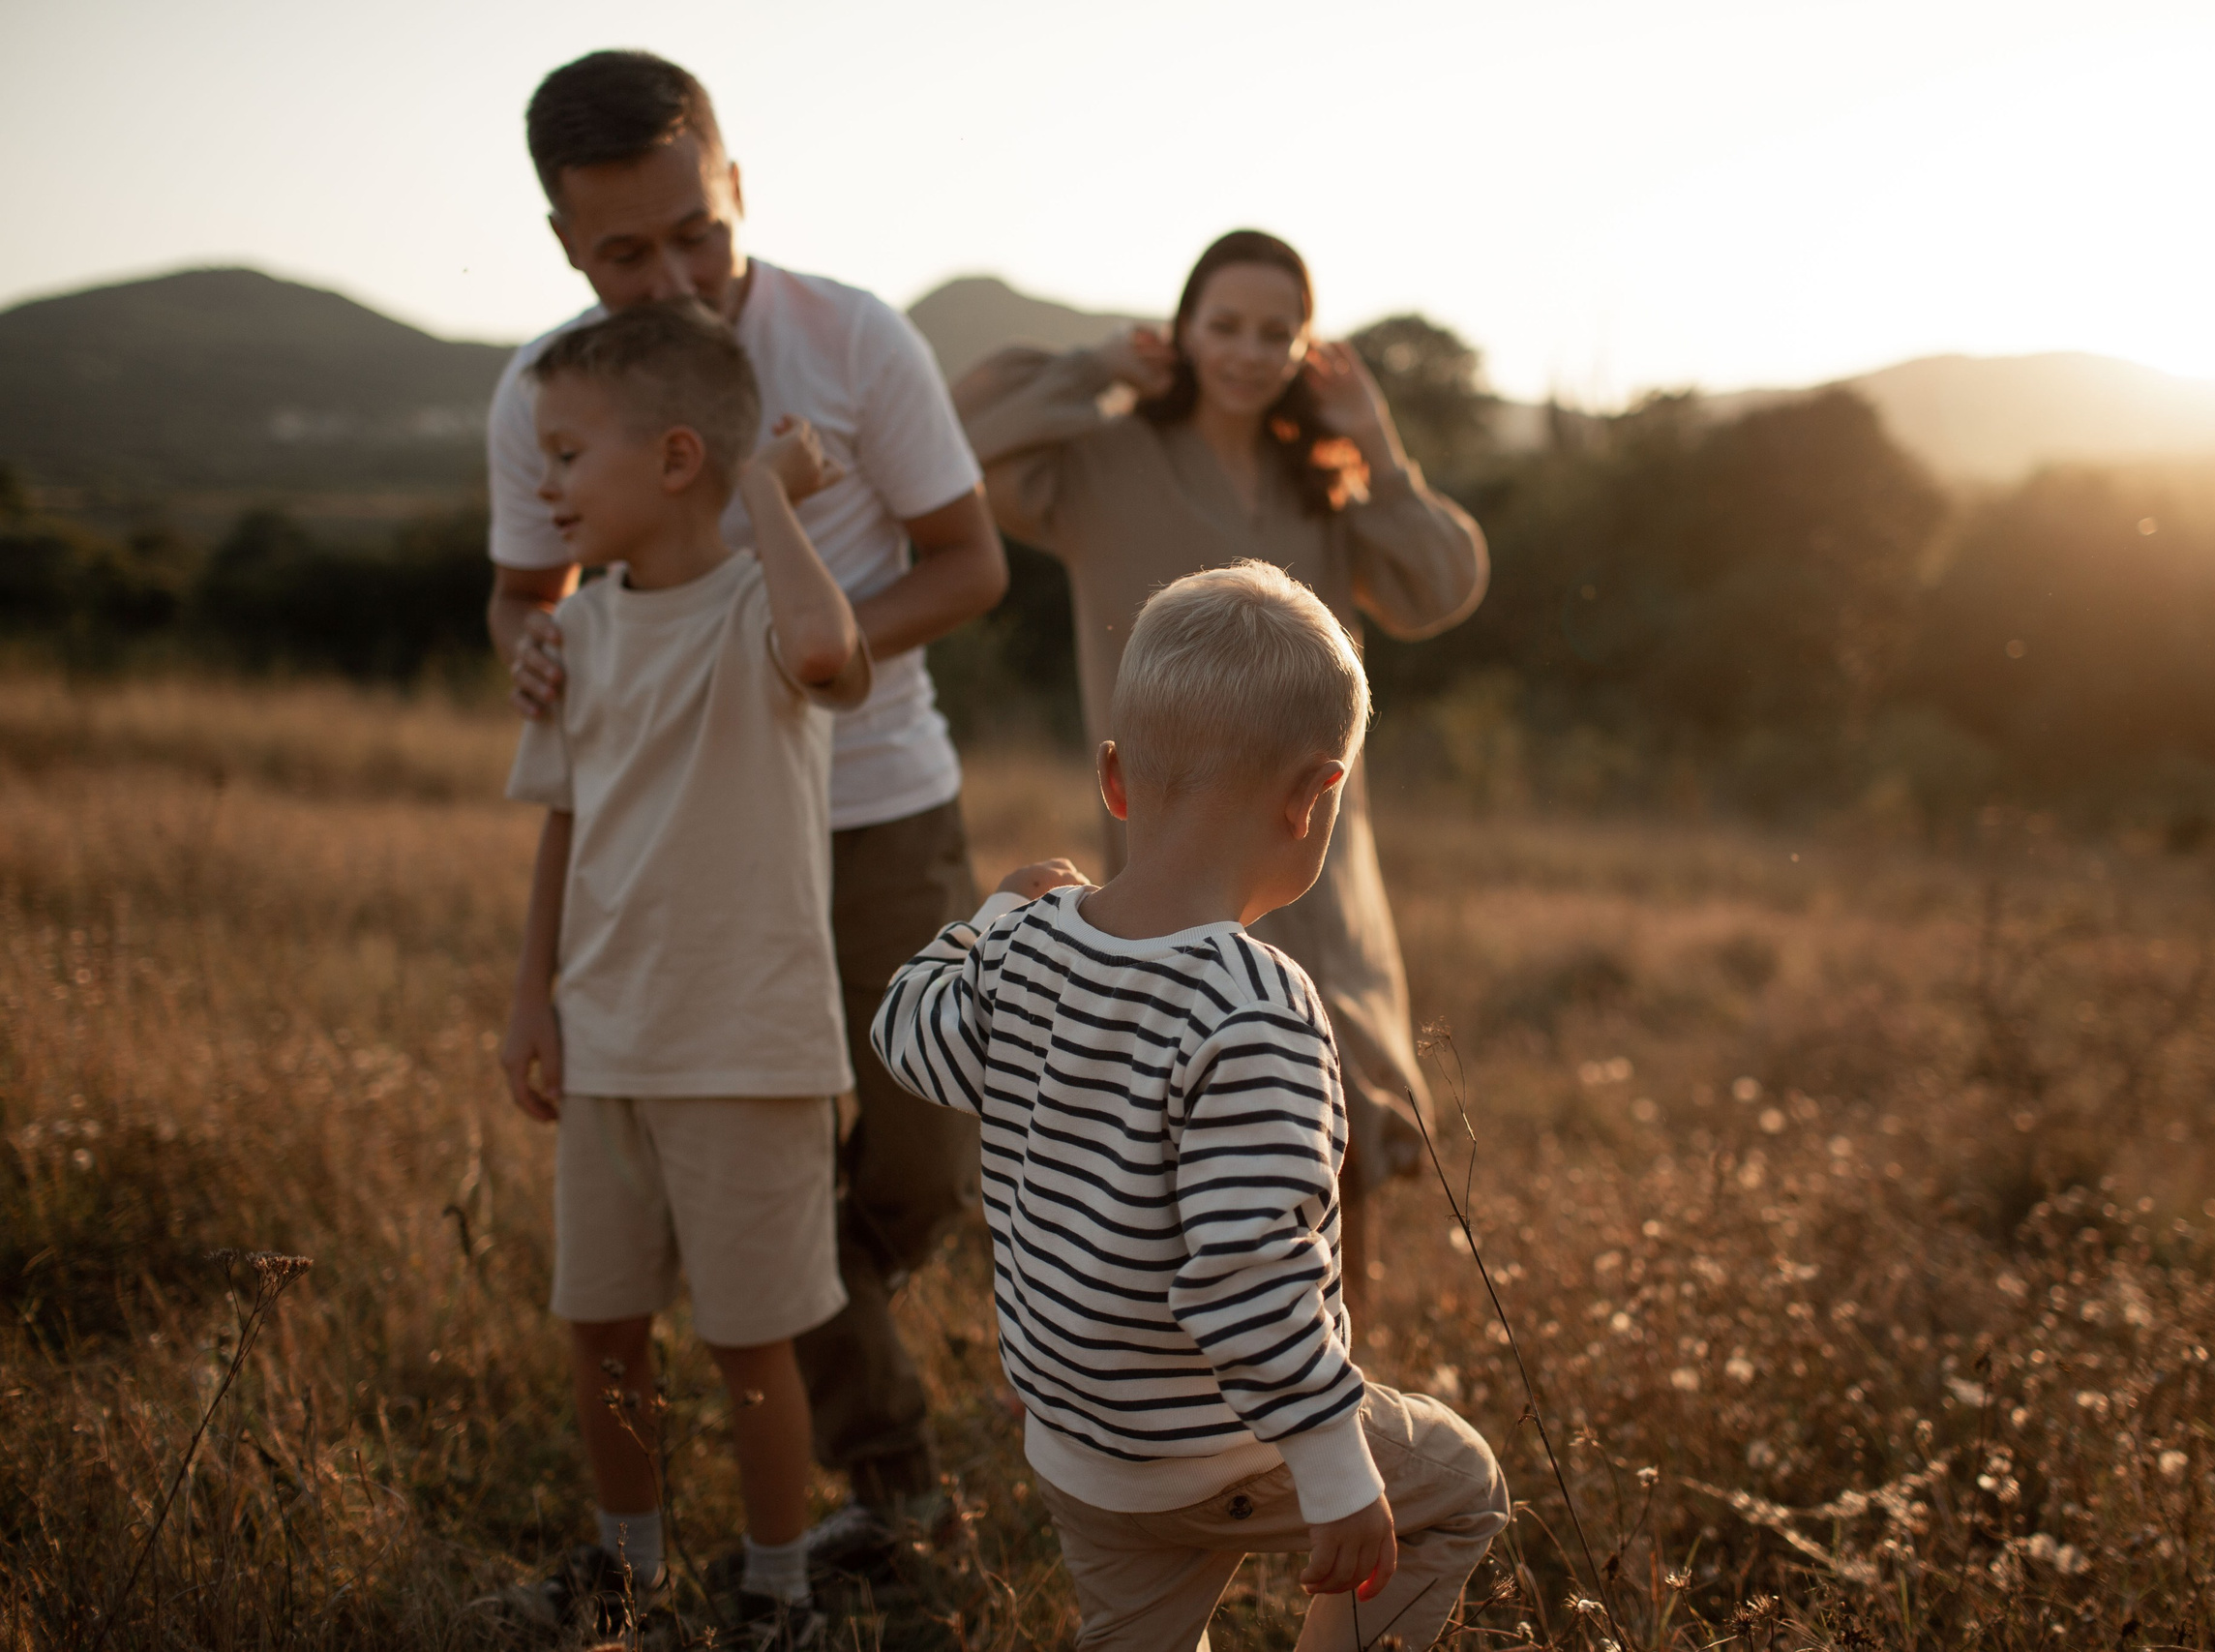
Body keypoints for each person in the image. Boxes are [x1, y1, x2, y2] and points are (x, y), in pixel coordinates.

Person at [487, 49, 1006, 1525]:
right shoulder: (553, 396)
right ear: (566, 247)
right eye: (625, 251)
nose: (674, 274)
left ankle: (780, 1293)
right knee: (760, 1166)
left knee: (922, 1143)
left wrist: (776, 654)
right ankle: (889, 1476)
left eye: (696, 231)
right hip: (685, 843)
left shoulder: (858, 340)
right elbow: (531, 593)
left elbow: (972, 562)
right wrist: (534, 653)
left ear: (735, 185)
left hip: (877, 799)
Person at [872, 562, 1510, 1652]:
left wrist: (990, 911)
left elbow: (905, 1031)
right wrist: (1333, 1468)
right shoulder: (1254, 1008)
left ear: (1115, 779)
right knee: (1457, 1484)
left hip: (1078, 1448)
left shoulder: (1024, 947)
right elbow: (1246, 1272)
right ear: (1317, 799)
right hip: (1220, 1450)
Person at [950, 229, 1486, 1305]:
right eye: (1225, 325)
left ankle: (1338, 1366)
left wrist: (1377, 443)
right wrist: (1094, 368)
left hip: (1313, 844)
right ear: (1184, 329)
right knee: (1183, 1098)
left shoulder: (1320, 486)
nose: (1248, 351)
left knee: (1333, 1097)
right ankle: (1193, 1374)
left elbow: (1442, 586)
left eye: (1275, 331)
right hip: (1173, 841)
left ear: (1306, 345)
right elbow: (956, 442)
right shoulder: (1097, 464)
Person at [492, 301, 866, 1644]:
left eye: (569, 453)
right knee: (601, 1323)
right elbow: (566, 819)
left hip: (748, 1043)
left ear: (673, 457)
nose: (546, 483)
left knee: (747, 1344)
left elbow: (830, 655)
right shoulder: (577, 635)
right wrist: (531, 993)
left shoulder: (766, 605)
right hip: (606, 1034)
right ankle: (627, 1566)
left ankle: (778, 1586)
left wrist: (767, 486)